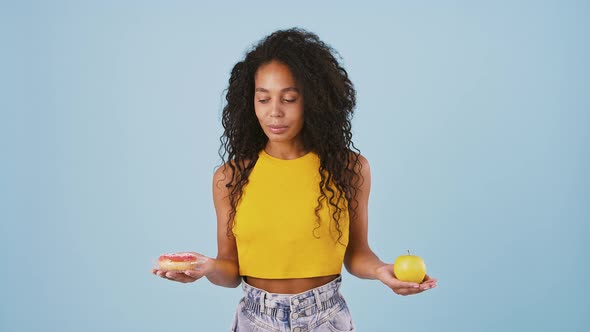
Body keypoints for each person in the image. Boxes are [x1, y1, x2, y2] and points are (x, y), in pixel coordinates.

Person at [152, 27, 437, 331]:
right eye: (263, 100)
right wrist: (206, 267)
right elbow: (230, 271)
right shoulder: (229, 178)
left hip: (326, 318)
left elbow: (357, 254)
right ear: (250, 103)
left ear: (313, 101)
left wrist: (382, 270)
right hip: (255, 318)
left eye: (288, 99)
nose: (275, 112)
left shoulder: (349, 169)